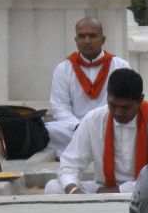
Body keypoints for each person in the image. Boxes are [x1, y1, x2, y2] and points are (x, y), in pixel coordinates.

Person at [44, 69, 148, 194]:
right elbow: (69, 165)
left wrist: (115, 192)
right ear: (107, 96)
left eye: (125, 108)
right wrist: (74, 191)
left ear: (140, 100)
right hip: (102, 189)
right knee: (53, 187)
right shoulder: (93, 119)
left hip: (144, 192)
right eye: (113, 106)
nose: (118, 113)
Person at [45, 17, 132, 157]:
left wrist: (102, 126)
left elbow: (126, 103)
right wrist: (81, 127)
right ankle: (95, 148)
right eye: (81, 36)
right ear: (76, 40)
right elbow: (60, 108)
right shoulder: (63, 69)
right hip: (75, 128)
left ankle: (80, 150)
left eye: (92, 36)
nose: (86, 41)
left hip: (110, 126)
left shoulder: (121, 66)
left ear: (103, 39)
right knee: (46, 130)